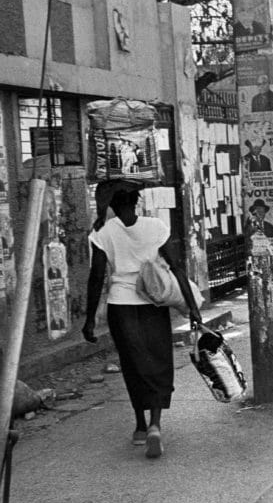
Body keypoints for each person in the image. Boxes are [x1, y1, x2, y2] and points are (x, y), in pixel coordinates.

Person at [82, 182, 201, 459]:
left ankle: (138, 425)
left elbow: (96, 277)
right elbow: (177, 268)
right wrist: (192, 307)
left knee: (132, 363)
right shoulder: (155, 227)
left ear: (113, 205)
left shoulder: (103, 232)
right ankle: (155, 425)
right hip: (153, 303)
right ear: (136, 201)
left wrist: (89, 321)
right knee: (157, 360)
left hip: (120, 305)